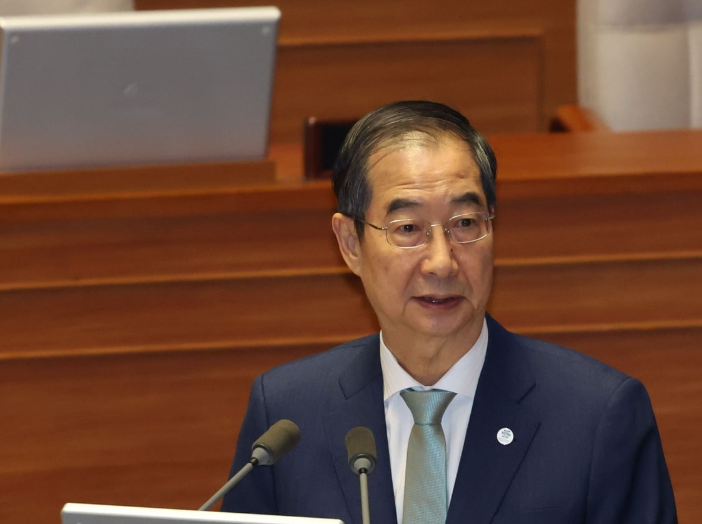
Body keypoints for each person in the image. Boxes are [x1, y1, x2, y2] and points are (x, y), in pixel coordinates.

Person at [221, 101, 677, 524]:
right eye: (408, 228)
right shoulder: (286, 417)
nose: (442, 262)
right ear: (350, 244)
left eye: (465, 224)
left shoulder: (597, 416)